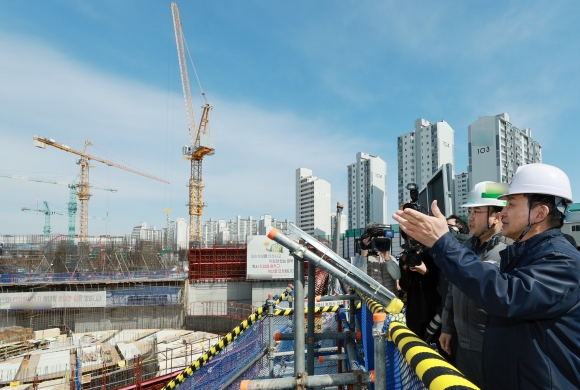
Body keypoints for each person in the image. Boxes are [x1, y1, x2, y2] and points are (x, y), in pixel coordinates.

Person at [393, 163, 580, 389]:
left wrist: (443, 243)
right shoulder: (526, 253)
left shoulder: (561, 260)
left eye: (510, 204)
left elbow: (505, 294)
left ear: (540, 213)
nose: (503, 213)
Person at [439, 182, 510, 388]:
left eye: (476, 211)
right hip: (463, 346)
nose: (470, 216)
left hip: (494, 349)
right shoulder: (466, 248)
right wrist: (447, 327)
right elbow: (453, 290)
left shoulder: (509, 250)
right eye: (469, 211)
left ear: (496, 216)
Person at [398, 238, 440, 339]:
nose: (414, 242)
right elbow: (405, 286)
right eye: (410, 239)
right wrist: (404, 270)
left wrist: (425, 271)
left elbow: (440, 282)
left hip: (433, 307)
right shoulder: (405, 257)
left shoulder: (432, 254)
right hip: (415, 309)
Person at [356, 223, 400, 294]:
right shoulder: (360, 257)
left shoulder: (389, 256)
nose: (378, 240)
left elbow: (397, 276)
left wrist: (387, 258)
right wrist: (364, 253)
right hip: (372, 302)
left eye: (381, 237)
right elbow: (359, 278)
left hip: (391, 301)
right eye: (375, 238)